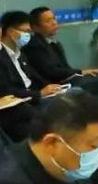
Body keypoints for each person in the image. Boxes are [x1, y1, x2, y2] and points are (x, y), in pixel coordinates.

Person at [23, 7, 98, 97]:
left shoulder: (54, 44)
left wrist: (80, 73)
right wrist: (81, 72)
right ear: (35, 27)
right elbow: (51, 72)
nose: (54, 23)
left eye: (54, 19)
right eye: (48, 21)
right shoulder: (34, 46)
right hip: (54, 86)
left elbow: (66, 68)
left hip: (65, 81)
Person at [0, 11, 65, 140]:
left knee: (73, 95)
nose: (29, 36)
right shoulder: (2, 57)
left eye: (30, 32)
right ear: (10, 31)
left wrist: (53, 88)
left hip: (32, 98)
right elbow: (6, 91)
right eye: (26, 31)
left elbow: (35, 77)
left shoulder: (20, 54)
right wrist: (39, 94)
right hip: (21, 104)